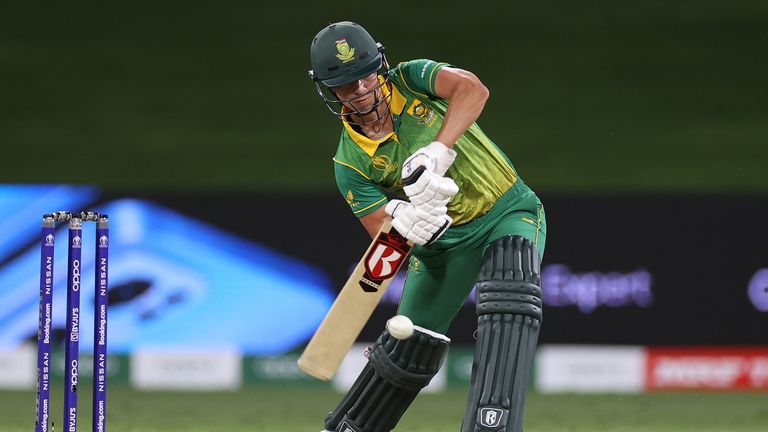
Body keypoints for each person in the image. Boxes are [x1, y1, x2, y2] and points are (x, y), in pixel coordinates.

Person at [309, 21, 547, 432]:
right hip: (443, 249)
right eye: (348, 85)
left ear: (381, 65)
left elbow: (473, 90)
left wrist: (439, 149)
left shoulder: (412, 78)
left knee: (510, 297)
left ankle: (493, 425)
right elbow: (383, 240)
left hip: (506, 210)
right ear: (329, 90)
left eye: (367, 75)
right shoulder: (349, 163)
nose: (363, 89)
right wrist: (407, 224)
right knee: (406, 350)